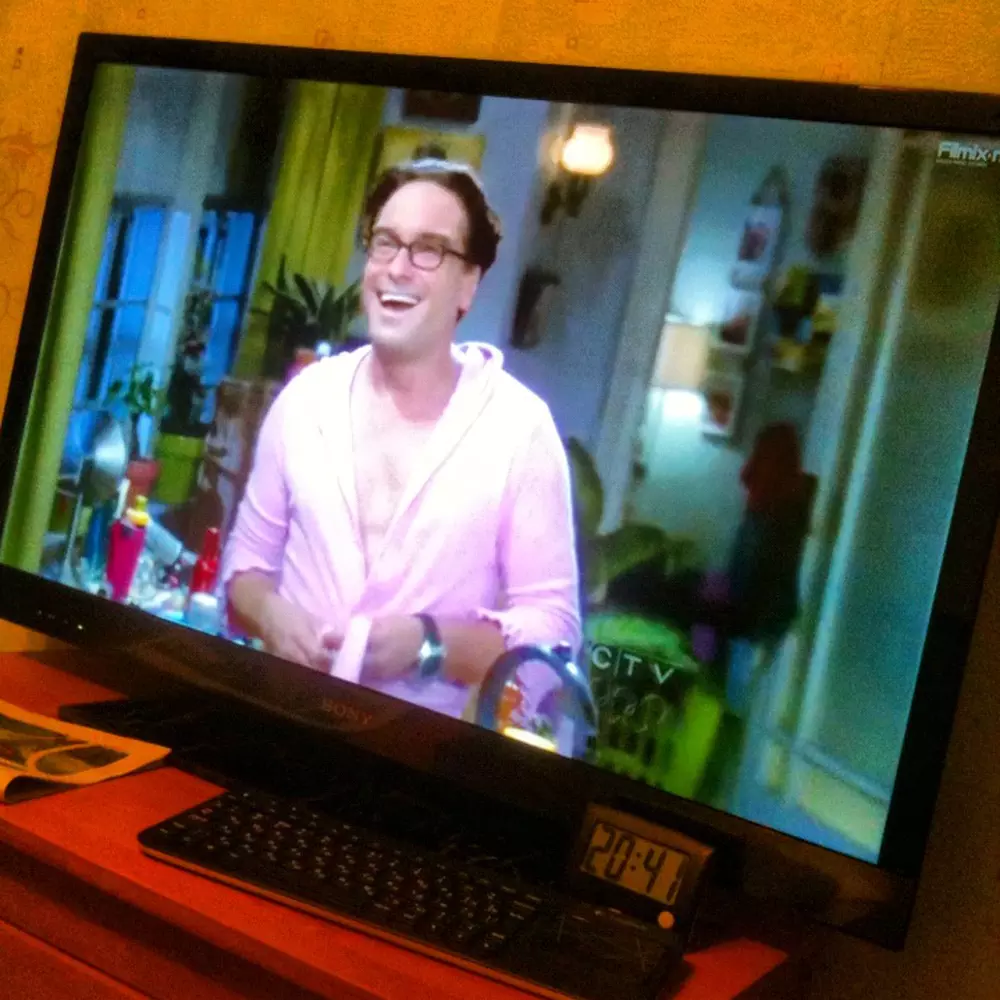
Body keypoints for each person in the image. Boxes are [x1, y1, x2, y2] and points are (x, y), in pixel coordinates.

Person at [221, 159, 582, 722]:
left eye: (429, 250)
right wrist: (270, 615)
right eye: (385, 243)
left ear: (469, 283)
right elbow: (245, 564)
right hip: (274, 725)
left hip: (418, 756)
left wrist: (429, 645)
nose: (397, 268)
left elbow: (554, 636)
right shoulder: (306, 400)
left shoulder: (519, 429)